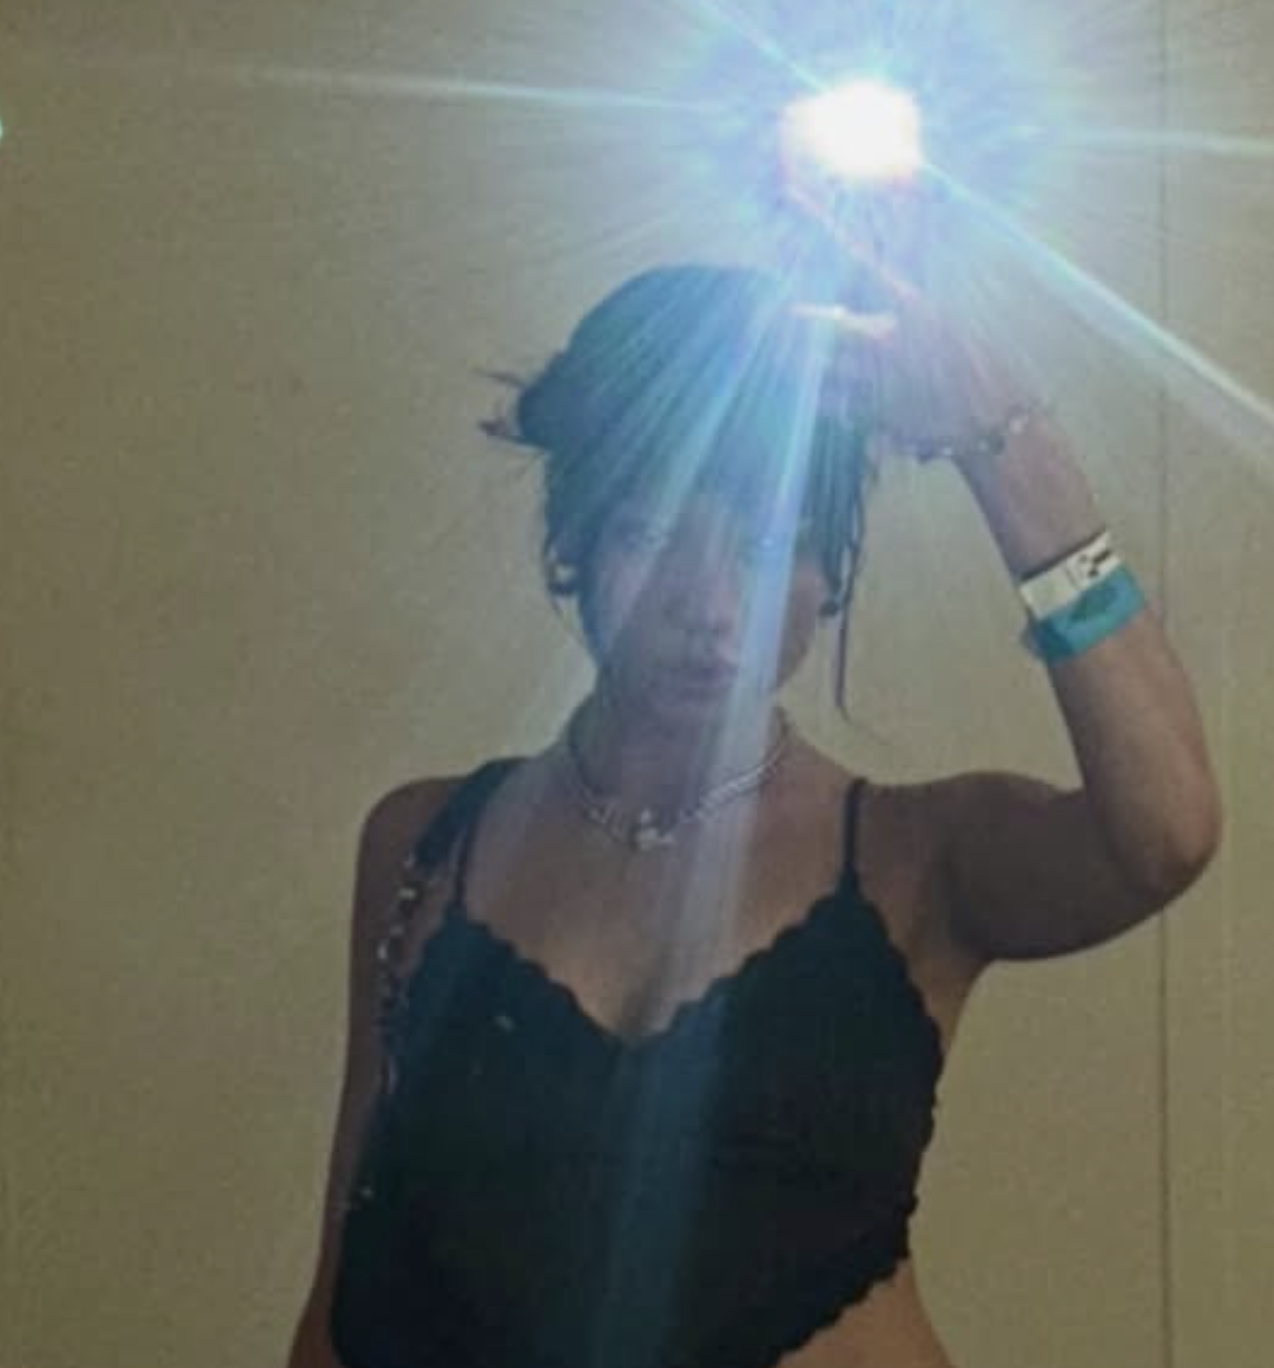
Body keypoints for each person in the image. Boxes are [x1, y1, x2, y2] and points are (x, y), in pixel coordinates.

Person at [287, 262, 1222, 1368]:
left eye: (768, 545)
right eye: (650, 535)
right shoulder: (427, 842)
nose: (710, 606)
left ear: (830, 575)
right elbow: (349, 1278)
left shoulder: (917, 859)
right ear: (573, 545)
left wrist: (1002, 438)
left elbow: (1165, 833)